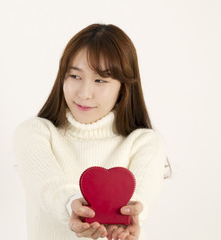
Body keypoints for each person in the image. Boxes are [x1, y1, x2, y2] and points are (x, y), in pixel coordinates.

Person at [13, 23, 169, 240]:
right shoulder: (35, 133)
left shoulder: (145, 142)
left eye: (100, 80)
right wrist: (72, 206)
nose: (84, 93)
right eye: (75, 76)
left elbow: (138, 199)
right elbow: (49, 185)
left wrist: (124, 221)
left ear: (123, 87)